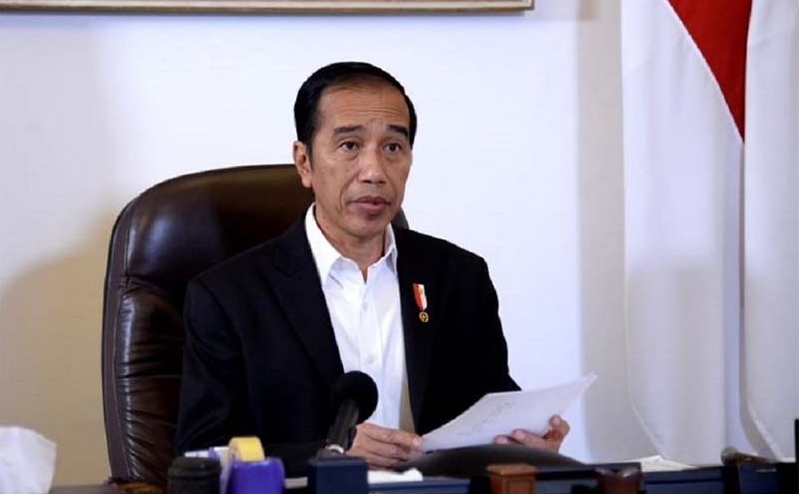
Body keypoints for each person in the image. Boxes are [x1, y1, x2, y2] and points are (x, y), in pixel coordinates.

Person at [175, 62, 570, 475]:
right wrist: (329, 453)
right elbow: (199, 458)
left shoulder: (459, 278)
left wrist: (526, 444)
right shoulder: (228, 296)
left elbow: (490, 413)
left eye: (393, 148)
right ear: (304, 162)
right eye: (350, 145)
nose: (375, 172)